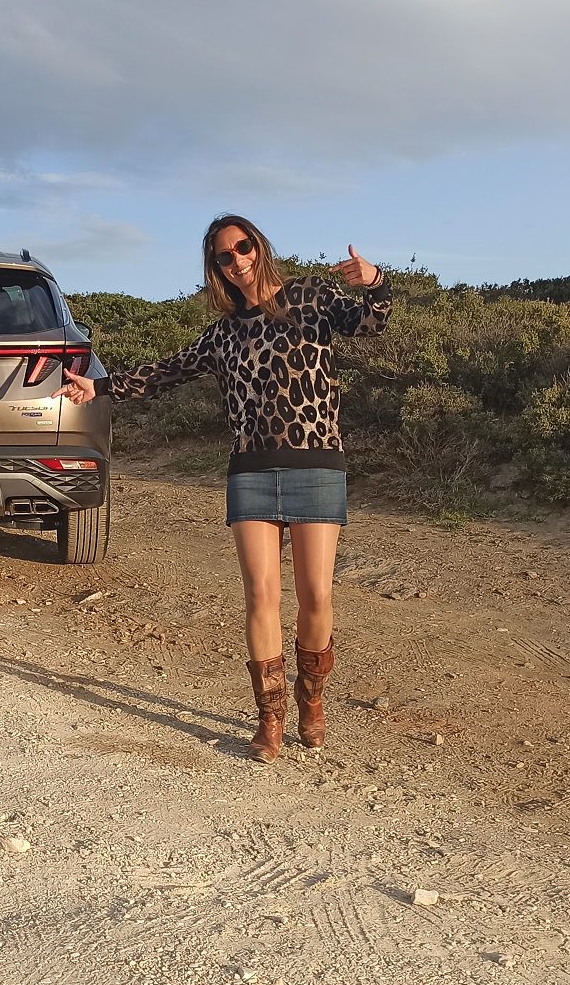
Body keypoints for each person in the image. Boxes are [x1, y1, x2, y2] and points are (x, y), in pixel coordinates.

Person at [62, 215, 392, 763]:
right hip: (250, 471)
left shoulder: (310, 297)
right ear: (216, 268)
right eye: (224, 255)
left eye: (242, 247)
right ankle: (270, 717)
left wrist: (376, 281)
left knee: (316, 594)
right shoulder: (222, 335)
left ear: (258, 247)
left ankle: (311, 699)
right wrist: (98, 386)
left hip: (315, 464)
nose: (237, 260)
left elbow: (371, 323)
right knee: (261, 595)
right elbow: (167, 371)